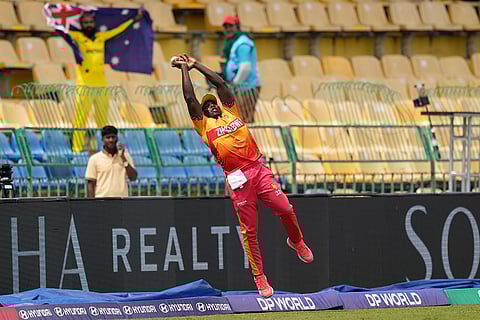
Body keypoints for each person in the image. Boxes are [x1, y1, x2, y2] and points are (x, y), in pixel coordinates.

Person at [172, 55, 313, 298]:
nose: (211, 106)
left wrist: (196, 65)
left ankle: (296, 241)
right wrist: (184, 69)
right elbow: (189, 98)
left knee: (286, 208)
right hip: (238, 179)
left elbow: (222, 85)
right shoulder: (204, 126)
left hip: (258, 169)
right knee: (249, 231)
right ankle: (260, 278)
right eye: (206, 107)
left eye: (213, 104)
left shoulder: (231, 112)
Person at [69, 9, 143, 153]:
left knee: (102, 121)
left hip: (101, 85)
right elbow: (62, 31)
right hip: (84, 86)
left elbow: (118, 30)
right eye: (85, 23)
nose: (89, 25)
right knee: (80, 120)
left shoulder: (101, 37)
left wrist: (132, 19)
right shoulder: (77, 37)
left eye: (91, 22)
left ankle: (105, 150)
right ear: (81, 25)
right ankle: (76, 150)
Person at [221, 16, 261, 124]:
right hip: (240, 87)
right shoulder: (234, 43)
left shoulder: (243, 43)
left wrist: (233, 84)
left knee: (244, 119)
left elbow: (244, 68)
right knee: (240, 118)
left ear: (237, 27)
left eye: (231, 26)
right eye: (226, 26)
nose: (228, 29)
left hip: (246, 87)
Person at [86, 125, 137, 198]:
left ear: (117, 138)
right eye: (108, 137)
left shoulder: (125, 156)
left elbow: (133, 177)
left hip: (121, 201)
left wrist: (123, 158)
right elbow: (91, 184)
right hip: (102, 201)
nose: (111, 140)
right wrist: (91, 204)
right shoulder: (94, 159)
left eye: (113, 137)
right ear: (102, 139)